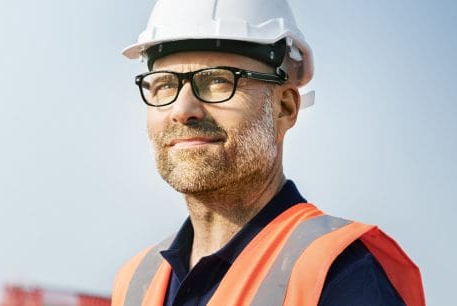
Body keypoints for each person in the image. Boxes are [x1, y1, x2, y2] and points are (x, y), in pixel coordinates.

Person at [109, 0, 425, 305]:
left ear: (285, 108)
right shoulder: (136, 282)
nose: (182, 110)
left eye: (219, 81)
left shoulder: (340, 272)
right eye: (164, 85)